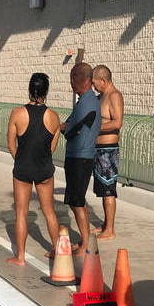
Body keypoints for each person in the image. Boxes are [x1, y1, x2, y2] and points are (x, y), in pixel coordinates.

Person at [6, 72, 61, 265]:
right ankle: (57, 251)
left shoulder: (17, 113)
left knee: (21, 212)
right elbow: (52, 147)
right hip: (44, 169)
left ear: (30, 89)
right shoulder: (54, 117)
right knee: (49, 212)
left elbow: (11, 144)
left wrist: (21, 159)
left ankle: (20, 257)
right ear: (46, 91)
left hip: (23, 168)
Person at [60, 63, 102, 251]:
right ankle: (85, 240)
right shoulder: (84, 101)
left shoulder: (87, 103)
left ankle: (86, 242)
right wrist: (67, 127)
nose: (71, 82)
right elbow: (70, 125)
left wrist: (62, 127)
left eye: (73, 77)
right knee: (76, 201)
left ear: (85, 80)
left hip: (80, 157)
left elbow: (68, 129)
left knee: (77, 202)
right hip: (77, 156)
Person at [91, 65, 123, 241]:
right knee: (102, 189)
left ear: (103, 80)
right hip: (98, 149)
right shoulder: (101, 96)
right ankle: (105, 224)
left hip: (108, 151)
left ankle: (110, 229)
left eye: (96, 84)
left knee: (108, 188)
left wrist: (94, 128)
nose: (95, 87)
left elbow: (117, 123)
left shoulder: (114, 96)